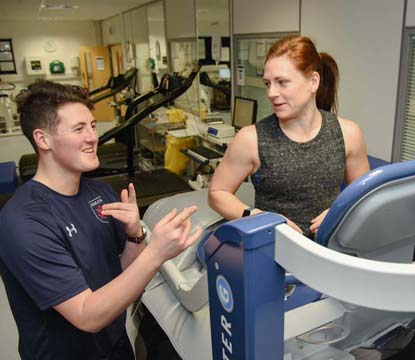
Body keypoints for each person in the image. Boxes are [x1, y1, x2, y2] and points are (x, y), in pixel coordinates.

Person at [0, 80, 202, 360]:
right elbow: (86, 315)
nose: (93, 137)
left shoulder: (100, 193)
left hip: (116, 346)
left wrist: (134, 235)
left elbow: (122, 276)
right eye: (79, 129)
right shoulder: (24, 222)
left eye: (93, 126)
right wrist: (156, 253)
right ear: (43, 139)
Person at [208, 36, 370, 237]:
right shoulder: (251, 139)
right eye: (268, 83)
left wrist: (340, 213)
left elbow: (364, 197)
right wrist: (258, 217)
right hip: (273, 251)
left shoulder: (348, 133)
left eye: (282, 82)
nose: (271, 93)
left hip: (329, 248)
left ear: (313, 81)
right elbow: (217, 193)